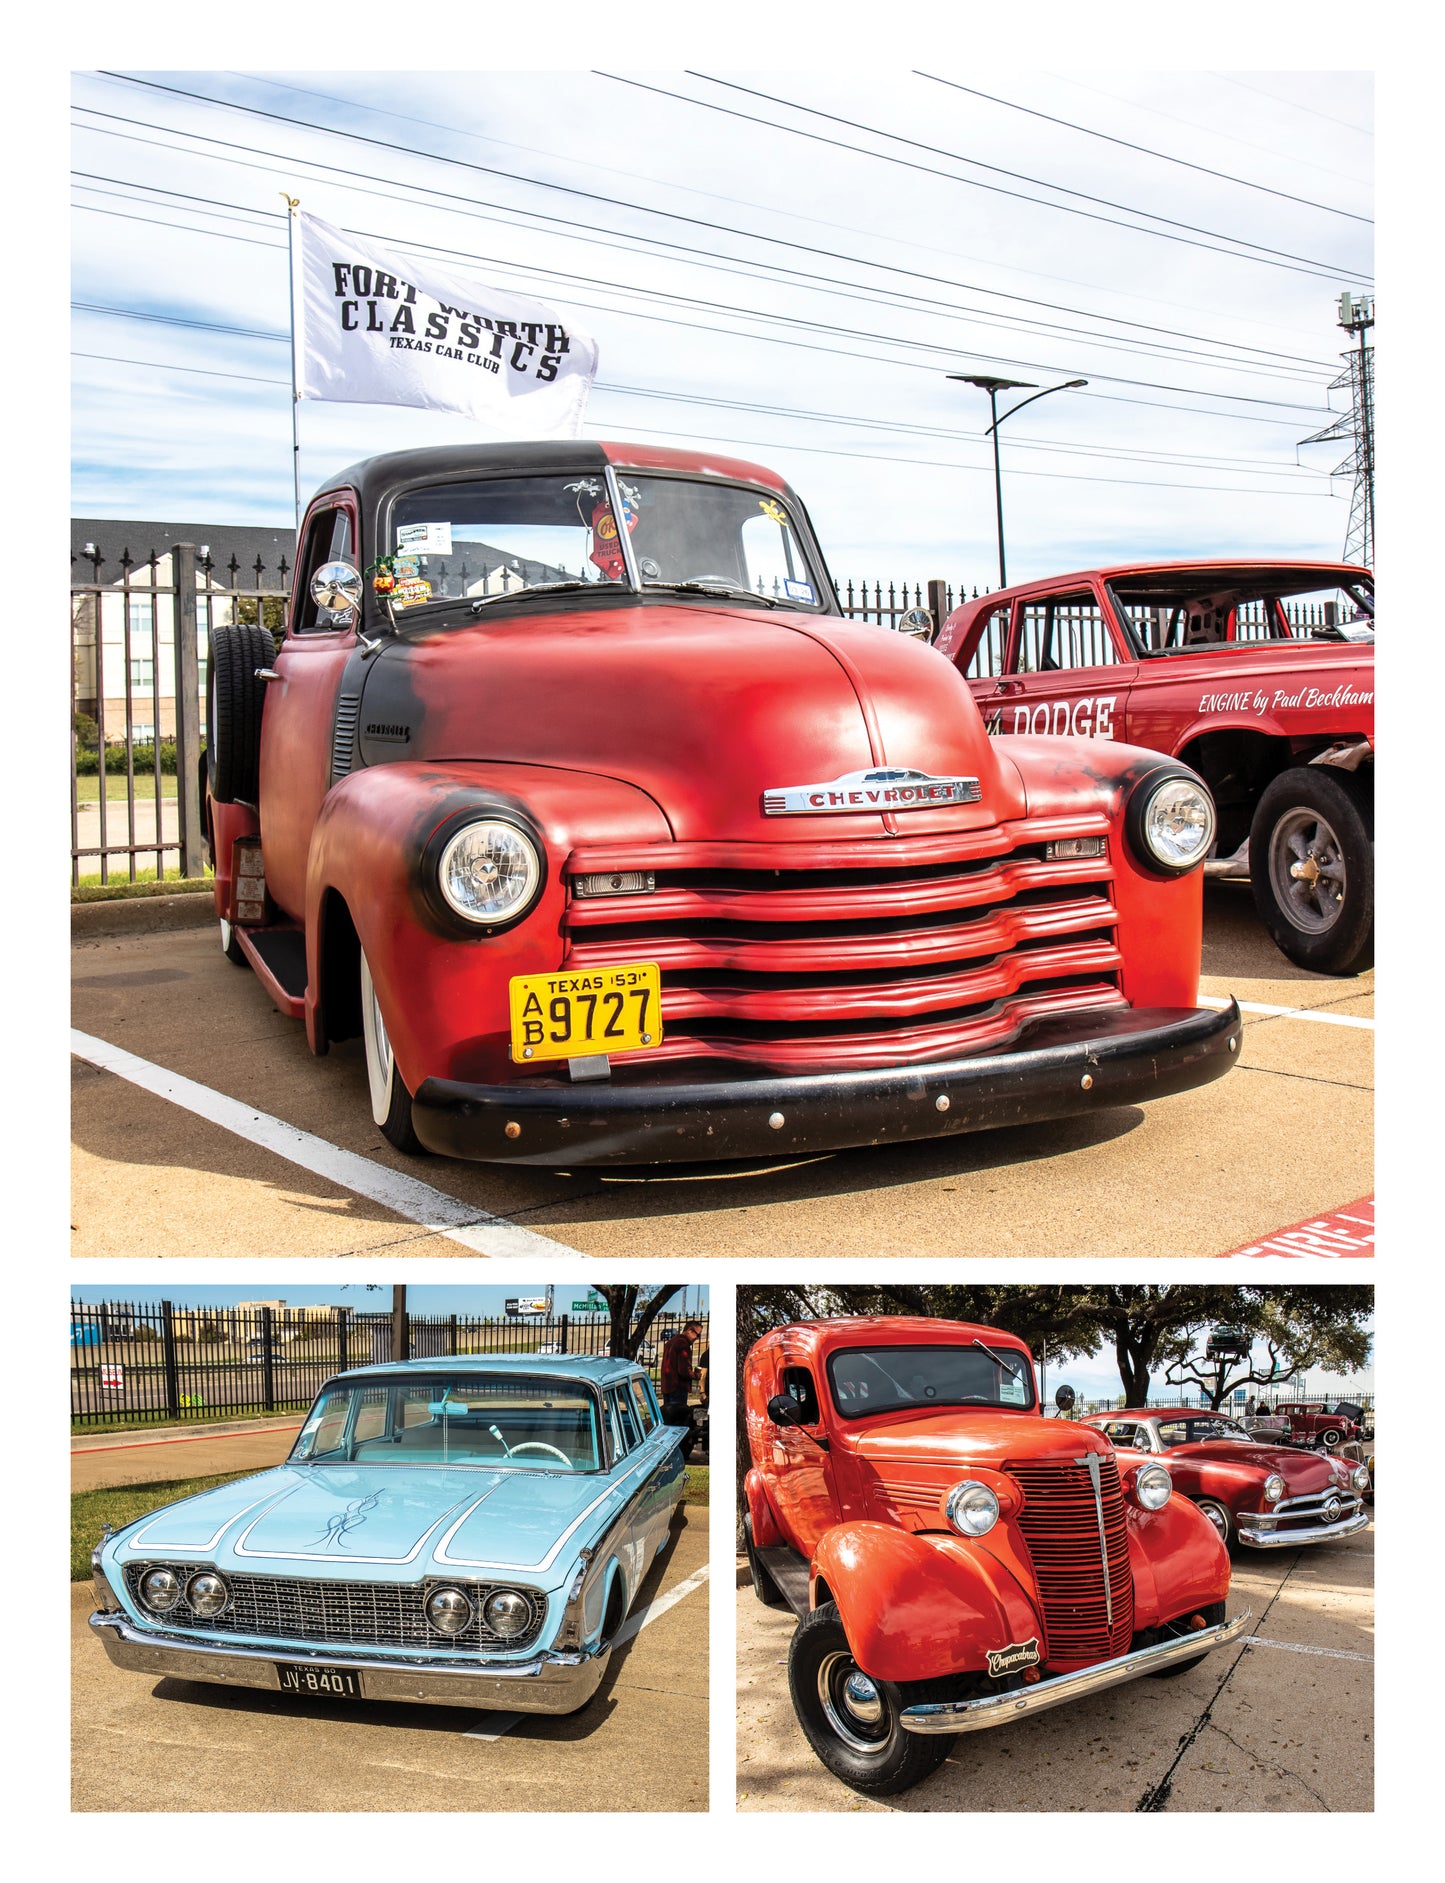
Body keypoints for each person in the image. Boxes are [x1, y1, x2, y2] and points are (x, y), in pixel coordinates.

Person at [660, 1320, 703, 1461]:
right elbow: (683, 1371)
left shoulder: (671, 1342)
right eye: (697, 1335)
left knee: (668, 1422)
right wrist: (695, 1375)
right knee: (679, 1424)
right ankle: (677, 1453)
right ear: (689, 1331)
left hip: (667, 1387)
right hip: (678, 1388)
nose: (697, 1338)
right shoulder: (683, 1345)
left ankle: (667, 1451)